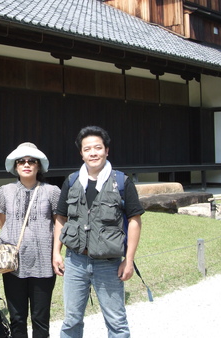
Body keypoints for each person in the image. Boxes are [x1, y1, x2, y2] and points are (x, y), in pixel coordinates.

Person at [53, 126, 144, 338]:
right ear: (81, 153)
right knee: (71, 320)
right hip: (75, 261)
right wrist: (56, 252)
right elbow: (61, 217)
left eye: (98, 148)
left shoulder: (122, 182)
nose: (93, 153)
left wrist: (129, 260)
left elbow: (134, 221)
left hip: (109, 263)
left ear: (106, 150)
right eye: (87, 149)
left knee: (116, 322)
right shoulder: (72, 181)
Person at [0, 142, 61, 338]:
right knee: (17, 317)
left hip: (43, 263)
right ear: (15, 166)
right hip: (13, 264)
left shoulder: (52, 191)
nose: (26, 164)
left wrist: (56, 253)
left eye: (31, 161)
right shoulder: (4, 191)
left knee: (41, 318)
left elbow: (59, 223)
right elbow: (3, 222)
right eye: (21, 161)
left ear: (38, 165)